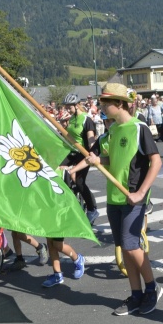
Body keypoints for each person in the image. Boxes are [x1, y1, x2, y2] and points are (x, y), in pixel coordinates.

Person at [87, 83, 163, 315]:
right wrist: (98, 161)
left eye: (105, 103)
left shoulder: (139, 128)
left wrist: (141, 193)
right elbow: (113, 162)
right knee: (123, 247)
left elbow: (156, 161)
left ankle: (152, 288)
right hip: (114, 198)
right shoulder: (112, 131)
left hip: (134, 198)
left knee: (131, 246)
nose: (102, 107)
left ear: (119, 104)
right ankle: (136, 294)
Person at [58, 93, 99, 225]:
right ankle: (68, 198)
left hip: (83, 154)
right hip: (71, 152)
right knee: (57, 170)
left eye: (69, 107)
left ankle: (92, 209)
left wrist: (93, 154)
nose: (67, 109)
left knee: (79, 180)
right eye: (66, 107)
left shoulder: (86, 120)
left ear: (76, 106)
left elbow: (91, 140)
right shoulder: (72, 118)